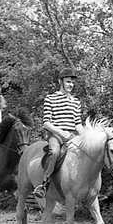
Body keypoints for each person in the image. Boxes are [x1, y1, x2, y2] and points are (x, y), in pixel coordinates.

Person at [33, 67, 83, 198]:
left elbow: (78, 124)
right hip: (56, 136)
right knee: (55, 152)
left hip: (72, 136)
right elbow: (46, 123)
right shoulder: (50, 98)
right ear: (60, 82)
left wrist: (86, 136)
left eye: (72, 82)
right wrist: (62, 132)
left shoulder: (76, 101)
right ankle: (44, 183)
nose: (70, 85)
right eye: (68, 82)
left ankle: (89, 187)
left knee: (89, 152)